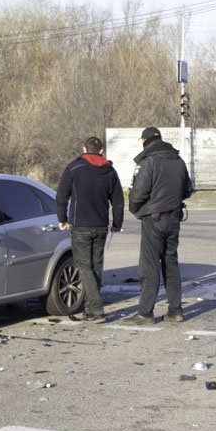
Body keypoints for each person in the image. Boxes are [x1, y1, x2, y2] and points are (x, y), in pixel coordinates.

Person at [121, 127, 192, 325]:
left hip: (154, 219)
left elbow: (138, 193)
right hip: (174, 218)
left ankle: (145, 313)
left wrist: (136, 209)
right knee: (171, 264)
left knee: (149, 266)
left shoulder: (149, 161)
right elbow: (188, 189)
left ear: (145, 140)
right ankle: (175, 310)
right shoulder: (178, 160)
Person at [56, 136, 124, 323]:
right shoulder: (110, 170)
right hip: (101, 226)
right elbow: (118, 201)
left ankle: (95, 308)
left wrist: (62, 218)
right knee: (96, 267)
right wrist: (117, 224)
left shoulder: (74, 168)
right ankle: (91, 308)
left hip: (81, 225)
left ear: (84, 149)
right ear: (101, 151)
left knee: (85, 267)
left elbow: (62, 195)